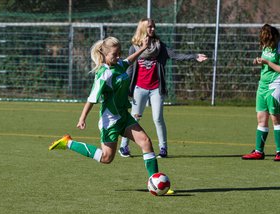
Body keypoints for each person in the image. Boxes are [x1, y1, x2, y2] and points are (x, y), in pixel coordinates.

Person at [49, 36, 174, 194]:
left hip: (123, 116)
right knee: (107, 158)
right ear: (105, 54)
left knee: (146, 142)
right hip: (110, 121)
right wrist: (82, 118)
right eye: (114, 54)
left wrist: (142, 49)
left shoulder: (119, 64)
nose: (118, 56)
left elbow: (128, 60)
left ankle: (155, 180)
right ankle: (68, 143)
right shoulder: (103, 74)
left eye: (119, 53)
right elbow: (92, 98)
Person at [118, 18, 208, 158]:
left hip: (156, 89)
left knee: (158, 118)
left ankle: (163, 148)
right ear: (142, 29)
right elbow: (129, 69)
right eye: (149, 27)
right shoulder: (134, 47)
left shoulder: (160, 46)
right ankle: (123, 146)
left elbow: (177, 55)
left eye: (153, 27)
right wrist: (122, 84)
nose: (152, 29)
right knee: (134, 119)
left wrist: (194, 56)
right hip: (139, 89)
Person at [242, 24, 280, 161]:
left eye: (267, 39)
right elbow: (266, 62)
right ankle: (259, 151)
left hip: (275, 85)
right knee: (261, 118)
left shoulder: (279, 47)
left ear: (274, 37)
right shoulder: (265, 46)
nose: (265, 42)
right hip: (262, 85)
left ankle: (279, 151)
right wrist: (260, 62)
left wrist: (267, 62)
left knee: (275, 118)